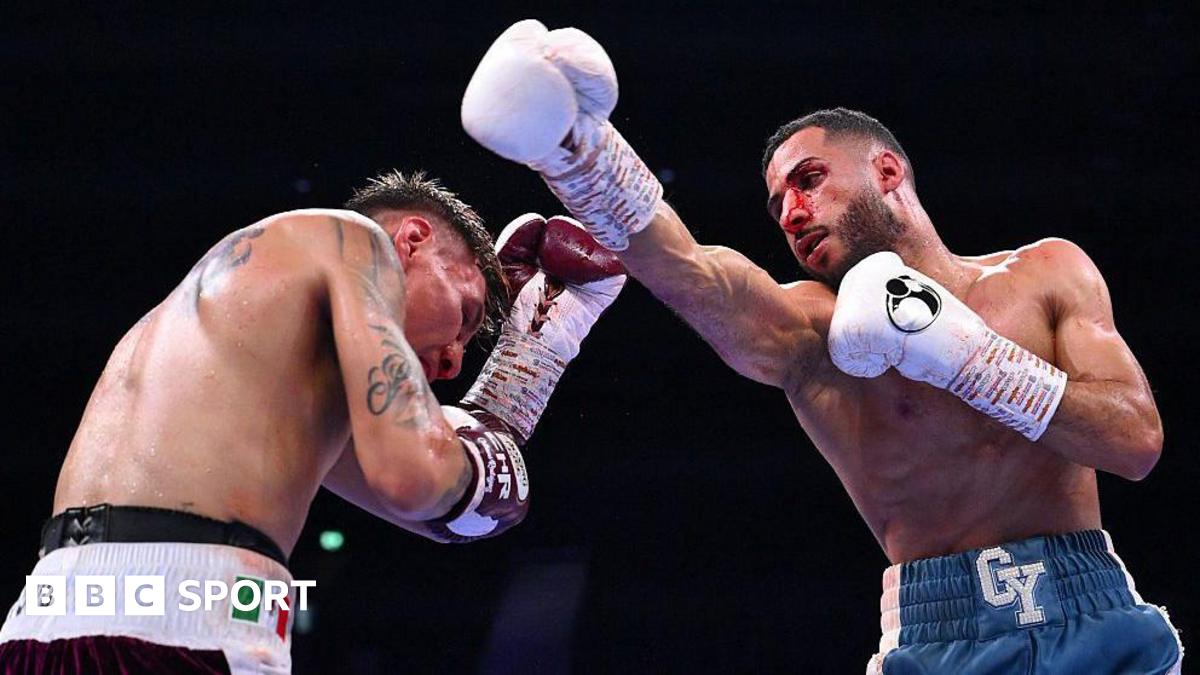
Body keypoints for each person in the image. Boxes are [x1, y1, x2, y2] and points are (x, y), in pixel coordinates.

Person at [459, 20, 1183, 673]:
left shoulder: (1047, 271)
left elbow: (1135, 441)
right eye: (777, 205)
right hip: (941, 640)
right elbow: (694, 273)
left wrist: (967, 354)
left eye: (808, 182)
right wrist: (578, 148)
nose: (793, 213)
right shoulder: (813, 331)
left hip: (1098, 618)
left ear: (888, 172)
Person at [0, 169, 625, 674]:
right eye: (462, 312)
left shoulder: (253, 344)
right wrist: (533, 358)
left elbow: (447, 515)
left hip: (45, 620)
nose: (455, 358)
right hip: (189, 619)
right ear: (411, 240)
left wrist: (523, 364)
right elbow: (420, 478)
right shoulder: (353, 240)